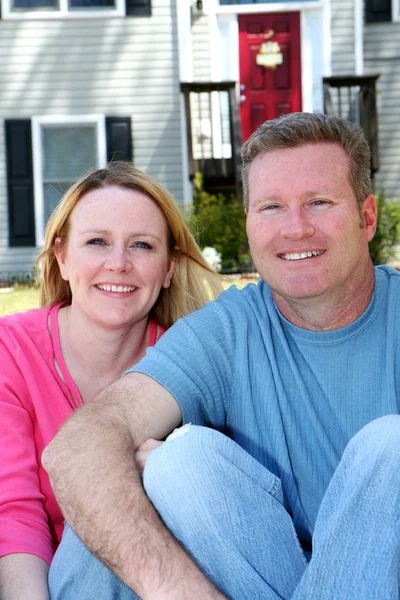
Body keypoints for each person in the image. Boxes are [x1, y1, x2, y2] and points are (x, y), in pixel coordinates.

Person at [44, 112, 400, 600]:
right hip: (253, 569)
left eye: (319, 202)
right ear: (250, 224)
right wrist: (176, 588)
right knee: (171, 464)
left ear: (366, 217)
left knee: (392, 446)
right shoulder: (227, 332)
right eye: (272, 207)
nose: (295, 229)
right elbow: (79, 446)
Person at [0, 161, 222, 600]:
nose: (118, 264)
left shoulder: (195, 357)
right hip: (59, 585)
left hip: (174, 580)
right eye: (97, 241)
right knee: (98, 494)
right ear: (62, 257)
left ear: (169, 268)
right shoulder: (12, 350)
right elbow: (15, 516)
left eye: (141, 245)